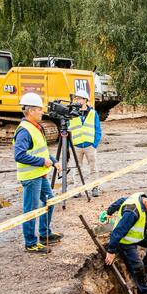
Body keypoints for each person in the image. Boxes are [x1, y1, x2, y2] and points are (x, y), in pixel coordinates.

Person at [14, 92, 63, 253]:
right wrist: (43, 162)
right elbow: (19, 155)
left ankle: (44, 233)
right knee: (31, 210)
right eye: (40, 109)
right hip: (31, 177)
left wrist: (53, 161)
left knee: (50, 201)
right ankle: (30, 243)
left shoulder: (36, 127)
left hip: (40, 175)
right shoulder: (24, 131)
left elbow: (40, 151)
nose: (42, 112)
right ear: (31, 111)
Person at [101, 190, 147, 294]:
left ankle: (146, 270)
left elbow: (122, 201)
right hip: (125, 241)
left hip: (138, 235)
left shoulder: (141, 199)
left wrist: (109, 211)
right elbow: (118, 232)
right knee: (137, 266)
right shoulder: (132, 212)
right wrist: (111, 251)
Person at [68, 89, 102, 197]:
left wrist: (94, 144)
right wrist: (70, 144)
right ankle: (77, 189)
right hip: (76, 146)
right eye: (76, 98)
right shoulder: (72, 113)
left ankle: (95, 187)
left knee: (93, 168)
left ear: (85, 100)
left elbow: (98, 129)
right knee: (76, 168)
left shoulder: (93, 113)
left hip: (89, 146)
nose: (77, 100)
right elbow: (69, 128)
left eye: (79, 98)